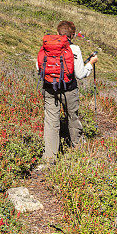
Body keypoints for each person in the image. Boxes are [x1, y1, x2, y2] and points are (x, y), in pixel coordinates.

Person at [36, 20, 97, 165]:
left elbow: (39, 68)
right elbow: (80, 74)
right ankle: (77, 149)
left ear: (58, 33)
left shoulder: (47, 47)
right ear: (73, 35)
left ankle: (49, 158)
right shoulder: (74, 49)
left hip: (50, 88)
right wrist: (90, 64)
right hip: (69, 90)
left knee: (51, 122)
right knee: (72, 118)